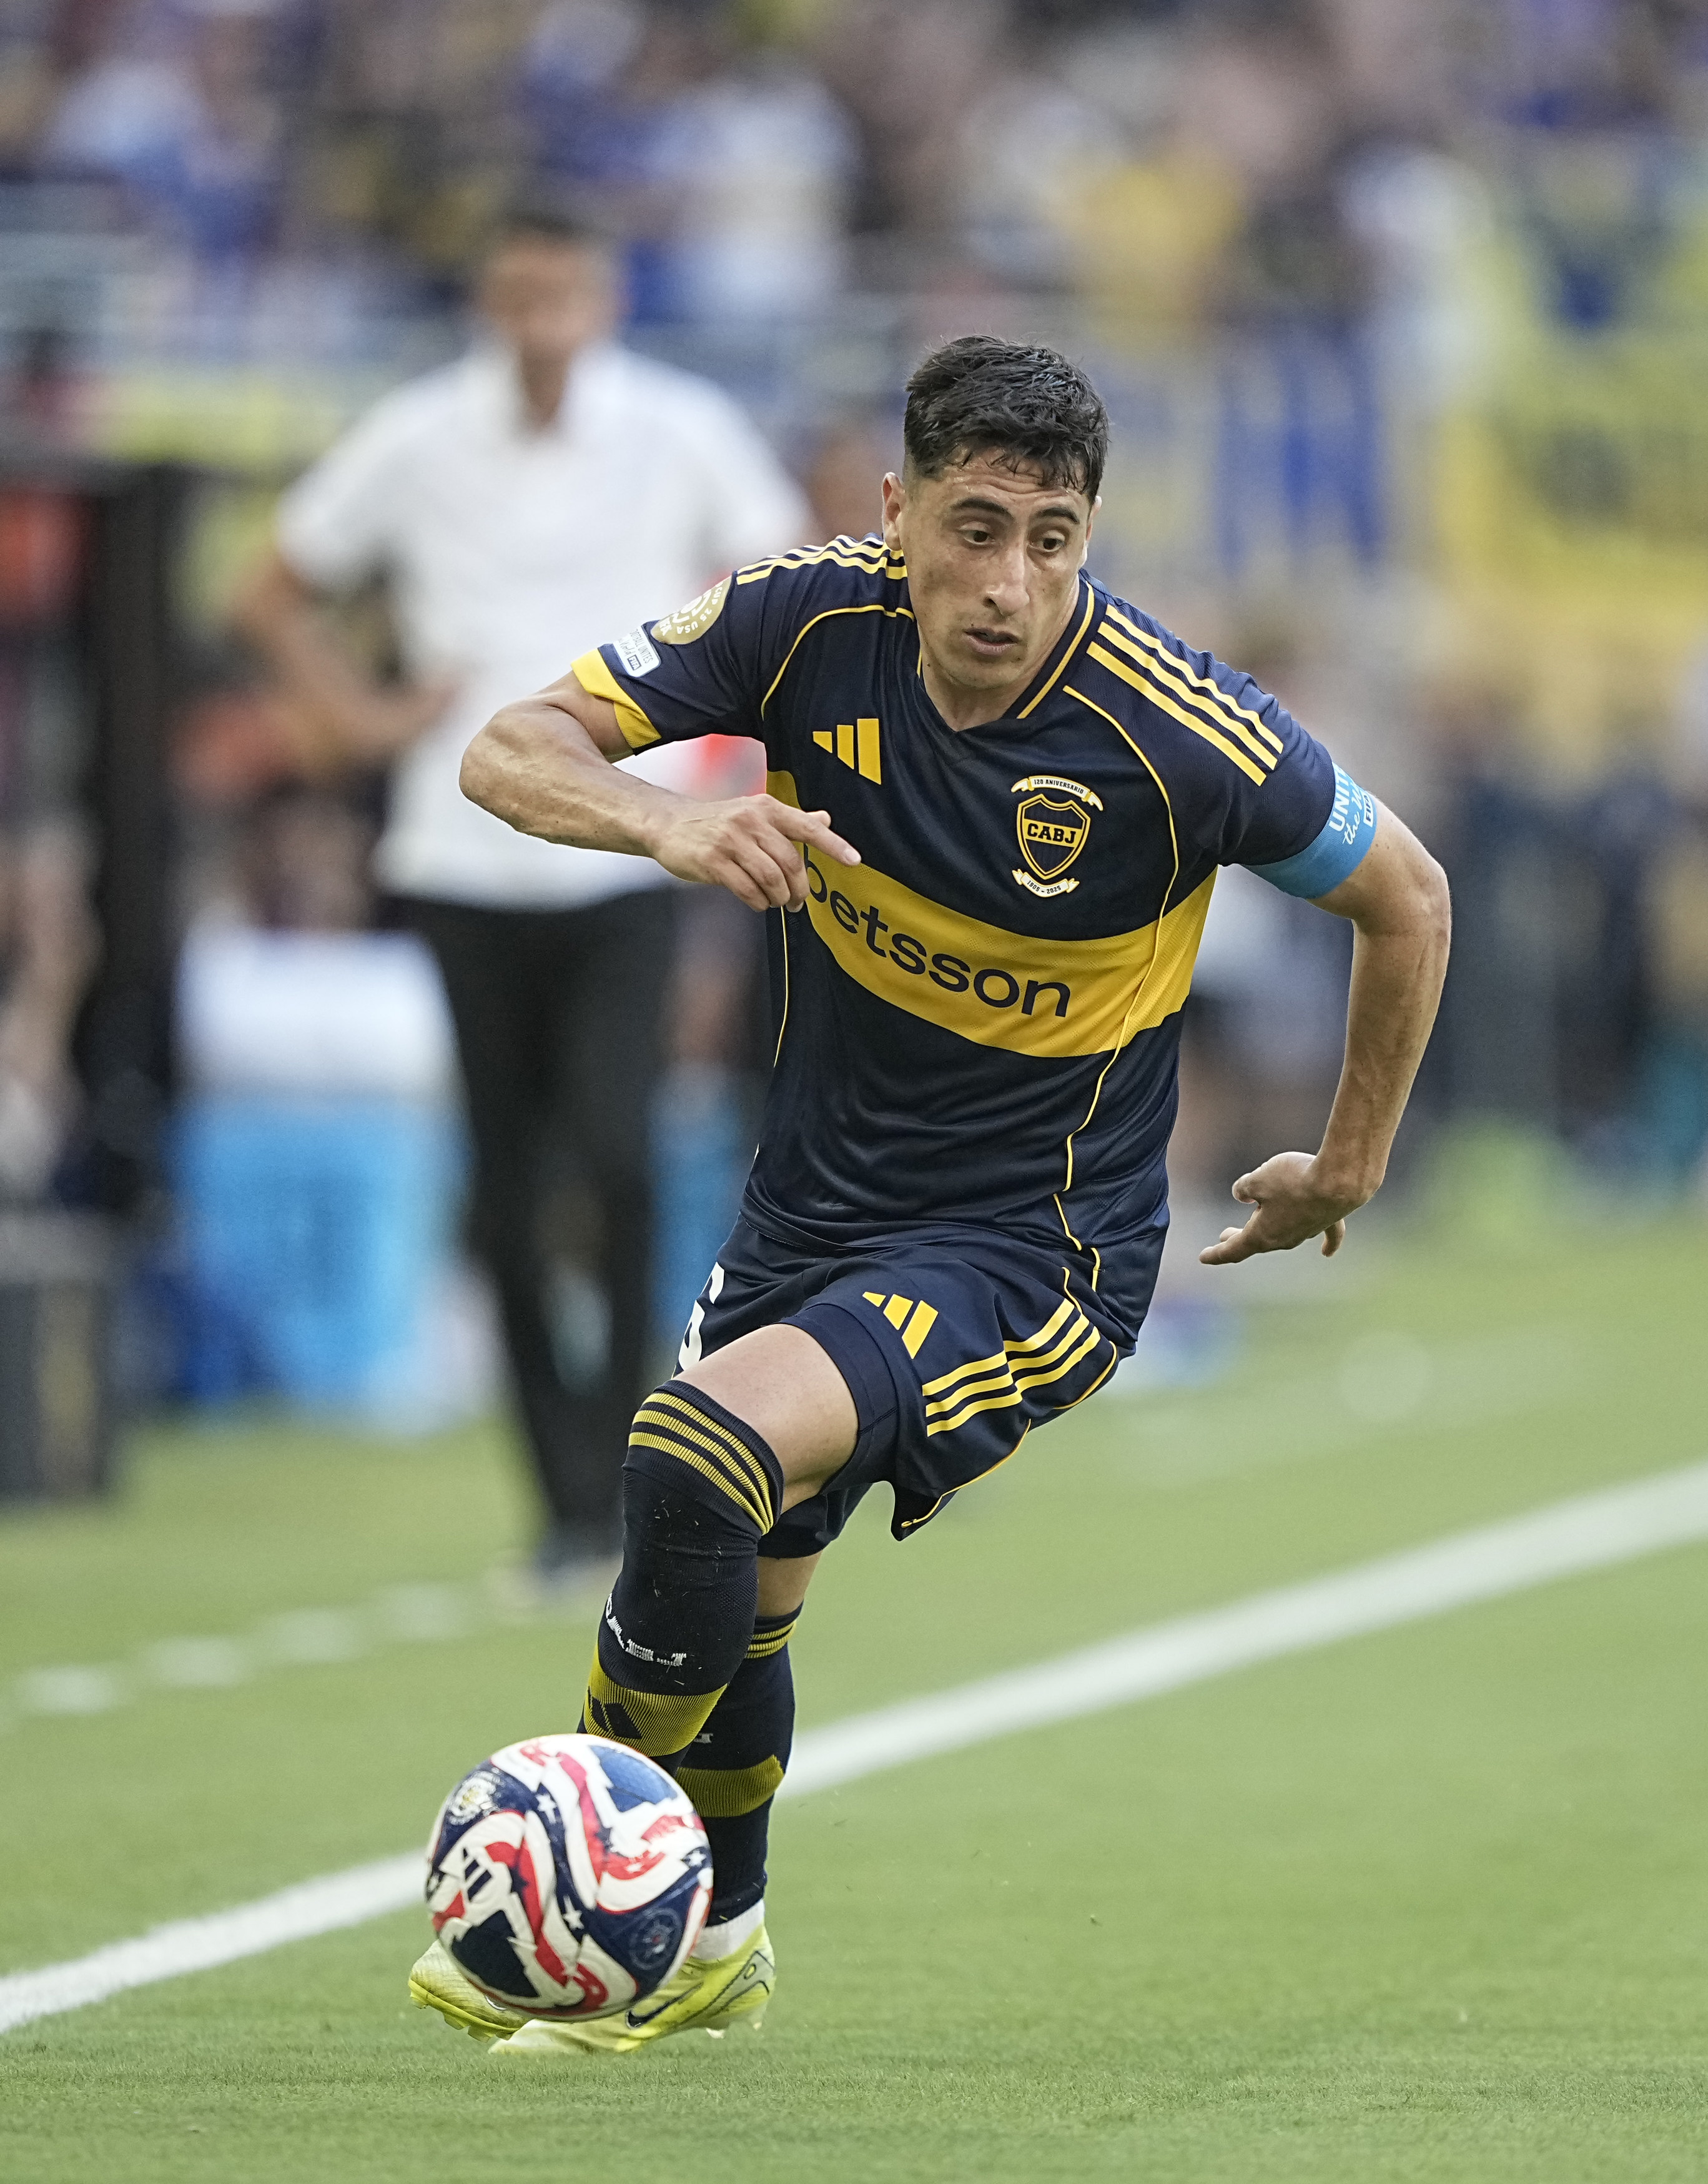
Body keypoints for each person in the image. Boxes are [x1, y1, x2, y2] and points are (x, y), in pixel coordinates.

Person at [408, 335, 1451, 2053]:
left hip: (1033, 1245)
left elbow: (1406, 894)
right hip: (809, 1218)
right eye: (977, 527)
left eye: (1055, 537)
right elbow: (507, 750)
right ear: (898, 514)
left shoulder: (1176, 732)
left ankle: (581, 1912)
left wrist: (1350, 1158)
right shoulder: (805, 625)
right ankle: (717, 1931)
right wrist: (663, 827)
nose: (1012, 581)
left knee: (694, 1451)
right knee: (740, 1570)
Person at [234, 200, 810, 1577]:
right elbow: (271, 590)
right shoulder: (422, 434)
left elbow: (787, 586)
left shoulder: (677, 429)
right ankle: (556, 1493)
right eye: (517, 299)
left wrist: (736, 752)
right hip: (458, 847)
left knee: (615, 1154)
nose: (540, 327)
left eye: (563, 297)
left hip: (627, 842)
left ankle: (629, 1462)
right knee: (501, 1180)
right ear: (490, 305)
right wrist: (362, 721)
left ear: (604, 299)